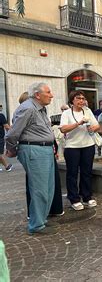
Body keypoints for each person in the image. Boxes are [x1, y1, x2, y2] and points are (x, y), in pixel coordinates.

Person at [5, 83, 56, 234]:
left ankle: (41, 219)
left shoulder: (40, 108)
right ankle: (36, 225)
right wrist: (12, 149)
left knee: (48, 188)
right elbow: (13, 133)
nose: (52, 95)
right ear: (37, 95)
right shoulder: (28, 108)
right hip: (34, 150)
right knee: (39, 189)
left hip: (44, 149)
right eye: (48, 92)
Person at [60, 90, 100, 211]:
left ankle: (87, 196)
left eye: (83, 98)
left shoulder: (87, 111)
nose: (81, 101)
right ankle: (74, 198)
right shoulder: (66, 113)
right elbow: (63, 129)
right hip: (72, 147)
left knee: (86, 172)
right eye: (78, 98)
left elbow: (97, 125)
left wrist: (94, 127)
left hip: (88, 145)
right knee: (72, 173)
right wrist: (79, 123)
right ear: (72, 100)